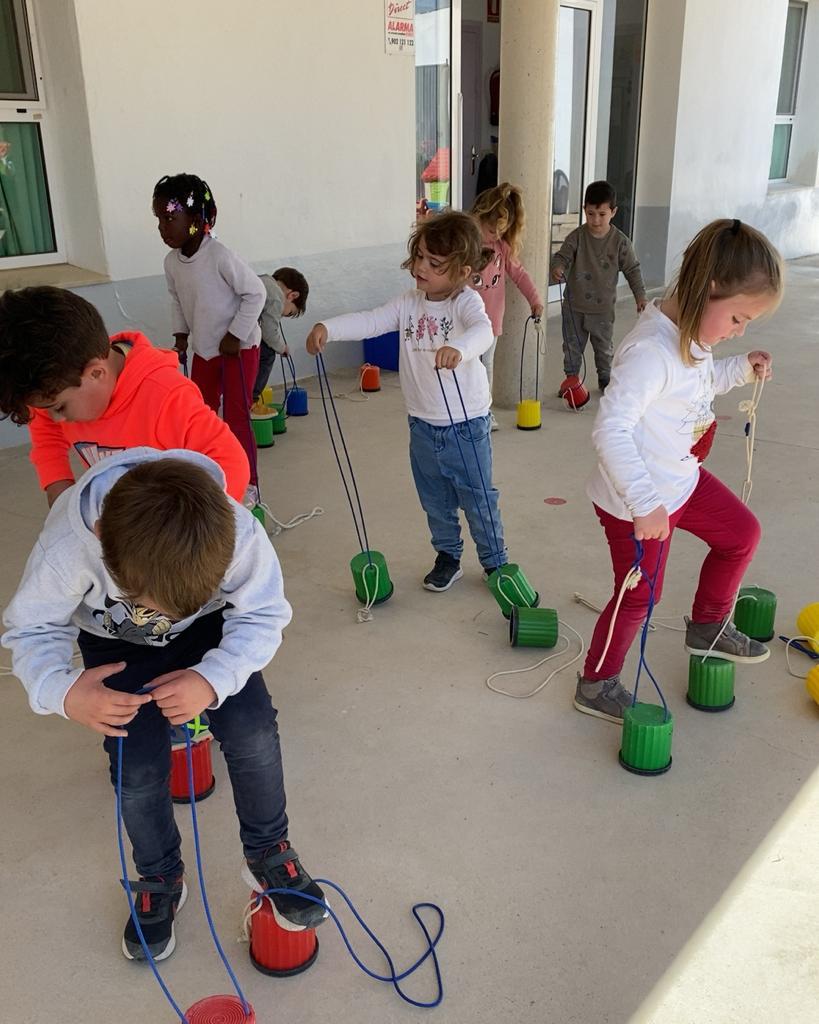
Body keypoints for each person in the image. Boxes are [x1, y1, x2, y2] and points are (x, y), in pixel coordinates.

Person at [2, 449, 327, 961]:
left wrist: (211, 678)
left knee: (253, 729)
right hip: (115, 643)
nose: (164, 620)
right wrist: (64, 692)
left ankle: (269, 849)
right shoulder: (66, 545)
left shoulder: (236, 530)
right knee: (136, 767)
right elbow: (32, 628)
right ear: (104, 543)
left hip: (210, 631)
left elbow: (264, 614)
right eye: (149, 601)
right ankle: (159, 876)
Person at [574, 218, 783, 723]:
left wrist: (740, 367)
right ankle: (596, 682)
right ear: (709, 288)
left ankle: (708, 625)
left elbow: (698, 383)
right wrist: (645, 504)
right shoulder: (650, 352)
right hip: (636, 502)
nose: (739, 329)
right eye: (738, 318)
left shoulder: (693, 335)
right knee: (638, 597)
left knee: (741, 535)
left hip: (682, 482)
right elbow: (611, 429)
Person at [306, 211, 511, 592]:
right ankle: (448, 556)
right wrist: (327, 328)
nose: (421, 267)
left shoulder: (466, 303)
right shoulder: (408, 304)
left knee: (478, 498)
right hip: (421, 425)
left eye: (434, 263)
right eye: (419, 257)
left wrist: (460, 348)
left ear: (463, 271)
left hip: (467, 426)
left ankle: (495, 561)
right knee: (434, 500)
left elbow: (483, 331)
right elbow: (371, 321)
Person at [0, 286, 250, 506]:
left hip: (174, 523)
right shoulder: (54, 380)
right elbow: (45, 430)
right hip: (120, 518)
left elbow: (231, 464)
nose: (56, 418)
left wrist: (188, 527)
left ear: (96, 373)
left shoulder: (166, 397)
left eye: (60, 408)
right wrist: (58, 486)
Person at [152, 173, 265, 497]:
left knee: (237, 416)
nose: (162, 228)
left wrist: (235, 335)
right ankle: (208, 478)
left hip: (238, 350)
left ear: (196, 220)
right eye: (158, 219)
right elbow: (177, 299)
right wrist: (180, 335)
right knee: (200, 415)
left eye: (170, 218)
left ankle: (248, 485)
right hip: (204, 349)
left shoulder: (219, 256)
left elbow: (256, 293)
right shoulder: (172, 263)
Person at [550, 180, 646, 393]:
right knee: (571, 348)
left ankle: (604, 379)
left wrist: (640, 296)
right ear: (584, 209)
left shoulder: (620, 242)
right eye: (591, 213)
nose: (595, 220)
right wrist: (558, 267)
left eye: (602, 214)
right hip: (574, 307)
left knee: (603, 348)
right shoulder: (577, 237)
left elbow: (632, 269)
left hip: (602, 310)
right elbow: (562, 256)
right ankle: (571, 382)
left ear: (613, 212)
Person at [469, 182, 544, 428]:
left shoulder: (502, 248)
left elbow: (520, 275)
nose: (495, 236)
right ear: (478, 217)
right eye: (491, 230)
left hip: (491, 321)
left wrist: (535, 300)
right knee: (466, 365)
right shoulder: (466, 246)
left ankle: (483, 411)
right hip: (465, 320)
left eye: (501, 231)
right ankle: (467, 409)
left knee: (485, 365)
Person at [250, 267, 309, 412]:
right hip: (235, 338)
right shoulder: (276, 297)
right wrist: (283, 348)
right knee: (268, 353)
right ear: (292, 295)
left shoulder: (263, 279)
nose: (282, 315)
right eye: (289, 312)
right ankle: (251, 398)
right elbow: (269, 333)